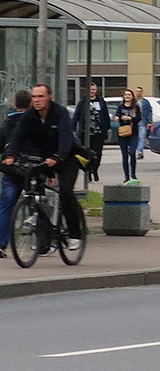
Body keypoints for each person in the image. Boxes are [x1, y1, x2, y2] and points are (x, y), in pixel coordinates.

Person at [1, 84, 83, 251]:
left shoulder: (59, 112)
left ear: (49, 97)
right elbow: (18, 136)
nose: (37, 100)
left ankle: (75, 233)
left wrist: (58, 157)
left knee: (66, 191)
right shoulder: (30, 115)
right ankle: (42, 229)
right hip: (44, 158)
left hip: (66, 157)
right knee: (35, 188)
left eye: (40, 96)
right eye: (34, 97)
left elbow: (66, 137)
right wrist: (10, 154)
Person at [0, 89, 31, 259]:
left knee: (5, 207)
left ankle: (0, 243)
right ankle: (42, 243)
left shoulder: (7, 122)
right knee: (37, 202)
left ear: (14, 104)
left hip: (10, 169)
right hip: (29, 169)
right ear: (31, 103)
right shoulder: (33, 122)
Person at [72, 81, 110, 183]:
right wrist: (73, 128)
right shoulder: (83, 102)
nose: (92, 92)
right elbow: (76, 116)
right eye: (90, 90)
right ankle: (88, 172)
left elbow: (105, 115)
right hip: (86, 133)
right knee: (87, 153)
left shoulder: (101, 101)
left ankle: (95, 170)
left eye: (93, 89)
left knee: (97, 154)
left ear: (96, 90)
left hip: (98, 132)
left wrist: (107, 127)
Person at [112, 89, 141, 183]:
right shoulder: (120, 107)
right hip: (123, 133)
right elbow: (117, 116)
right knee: (124, 155)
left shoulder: (136, 108)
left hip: (133, 132)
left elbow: (139, 118)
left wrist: (130, 118)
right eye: (125, 95)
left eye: (129, 95)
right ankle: (126, 176)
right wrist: (116, 118)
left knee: (132, 153)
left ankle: (133, 174)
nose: (127, 96)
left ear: (132, 96)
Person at [135, 86, 152, 160]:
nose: (138, 93)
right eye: (137, 91)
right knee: (135, 137)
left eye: (139, 91)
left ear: (142, 92)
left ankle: (139, 151)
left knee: (141, 137)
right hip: (134, 122)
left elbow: (149, 111)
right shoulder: (133, 101)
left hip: (143, 121)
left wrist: (149, 121)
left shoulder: (145, 102)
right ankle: (135, 150)